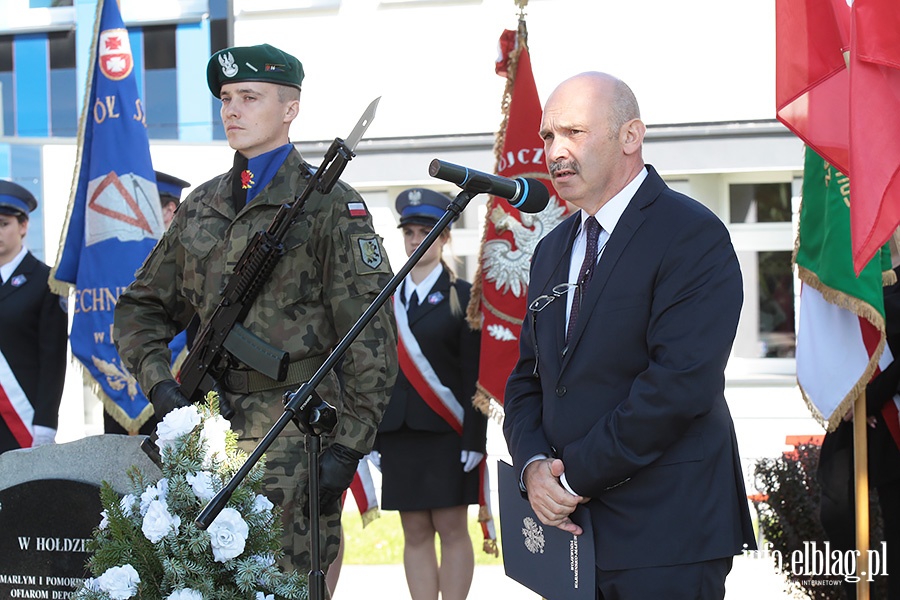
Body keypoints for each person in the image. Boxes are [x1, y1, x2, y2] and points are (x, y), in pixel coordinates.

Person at [113, 43, 398, 577]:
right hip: (203, 439)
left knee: (285, 584)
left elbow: (371, 338)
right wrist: (162, 389)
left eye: (249, 96)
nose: (232, 111)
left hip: (291, 436)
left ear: (290, 108)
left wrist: (349, 447)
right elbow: (139, 310)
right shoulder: (201, 205)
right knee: (196, 581)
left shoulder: (332, 205)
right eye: (225, 99)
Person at [502, 72, 756, 600]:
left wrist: (569, 480)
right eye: (548, 136)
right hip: (569, 541)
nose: (555, 151)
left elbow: (678, 387)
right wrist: (531, 470)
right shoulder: (552, 250)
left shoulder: (691, 235)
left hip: (666, 532)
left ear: (630, 136)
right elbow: (529, 378)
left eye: (574, 132)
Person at [375, 187, 486, 600]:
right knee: (415, 530)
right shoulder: (385, 299)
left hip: (448, 432)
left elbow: (475, 375)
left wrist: (475, 438)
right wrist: (373, 436)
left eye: (427, 232)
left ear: (444, 238)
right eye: (410, 232)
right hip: (399, 432)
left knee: (451, 528)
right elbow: (377, 371)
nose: (416, 240)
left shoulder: (463, 296)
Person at [818, 265, 900, 599]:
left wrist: (869, 400)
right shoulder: (856, 270)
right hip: (856, 408)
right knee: (836, 508)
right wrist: (850, 398)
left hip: (887, 411)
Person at [104, 170, 191, 436]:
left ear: (170, 209)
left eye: (144, 208)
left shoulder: (191, 256)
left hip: (183, 385)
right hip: (129, 375)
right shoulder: (121, 259)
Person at [0, 180, 68, 454]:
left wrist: (45, 423)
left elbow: (53, 360)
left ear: (24, 226)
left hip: (23, 419)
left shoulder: (46, 281)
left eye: (3, 224)